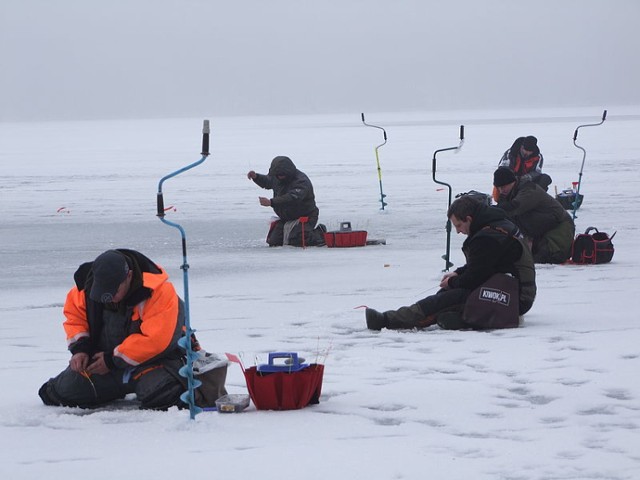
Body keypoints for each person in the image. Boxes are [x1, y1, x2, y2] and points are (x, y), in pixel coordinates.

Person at [38, 249, 226, 410]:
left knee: (161, 393)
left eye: (113, 292)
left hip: (154, 362)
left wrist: (112, 361)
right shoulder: (84, 288)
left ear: (128, 277)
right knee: (60, 392)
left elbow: (157, 340)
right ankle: (111, 386)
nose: (109, 299)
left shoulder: (158, 292)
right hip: (104, 362)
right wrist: (80, 350)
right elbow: (75, 318)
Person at [365, 195, 536, 331]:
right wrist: (458, 274)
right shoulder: (497, 225)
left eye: (459, 225)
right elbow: (487, 264)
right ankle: (456, 319)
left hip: (515, 299)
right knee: (447, 296)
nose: (458, 231)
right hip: (513, 291)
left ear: (469, 219)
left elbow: (476, 277)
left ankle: (389, 320)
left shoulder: (487, 237)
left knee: (450, 297)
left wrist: (454, 281)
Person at [493, 167, 575, 264]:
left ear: (513, 182)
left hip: (561, 226)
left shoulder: (528, 190)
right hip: (543, 227)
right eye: (499, 188)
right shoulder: (512, 192)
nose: (501, 190)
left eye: (504, 186)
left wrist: (495, 208)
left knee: (546, 258)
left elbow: (514, 208)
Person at [248, 155, 325, 247]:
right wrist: (256, 177)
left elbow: (292, 198)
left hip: (306, 216)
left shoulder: (301, 181)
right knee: (274, 242)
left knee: (296, 240)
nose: (279, 177)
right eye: (278, 175)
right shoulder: (276, 177)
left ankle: (319, 232)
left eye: (282, 175)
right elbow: (268, 181)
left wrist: (271, 202)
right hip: (286, 217)